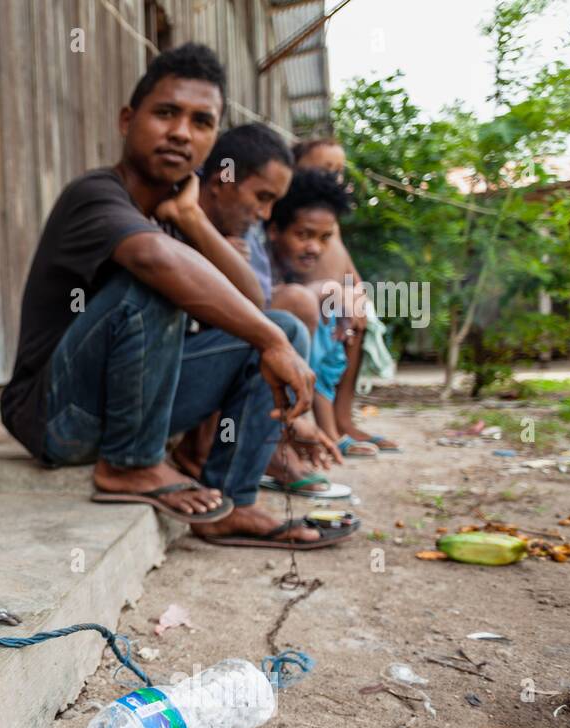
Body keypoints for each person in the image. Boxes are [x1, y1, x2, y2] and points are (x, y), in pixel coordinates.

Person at [0, 45, 357, 549]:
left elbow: (253, 301)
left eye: (201, 121)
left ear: (212, 141)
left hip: (123, 409)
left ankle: (232, 500)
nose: (182, 132)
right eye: (166, 113)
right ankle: (130, 467)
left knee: (287, 326)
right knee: (159, 277)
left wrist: (190, 219)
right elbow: (154, 260)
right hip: (56, 416)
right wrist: (269, 338)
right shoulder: (95, 194)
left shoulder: (173, 216)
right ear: (128, 120)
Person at [170, 122, 346, 498]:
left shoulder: (239, 230)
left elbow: (253, 302)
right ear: (221, 180)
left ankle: (236, 494)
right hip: (136, 401)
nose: (265, 214)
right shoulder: (167, 215)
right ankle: (207, 460)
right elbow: (251, 311)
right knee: (280, 330)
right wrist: (195, 227)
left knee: (279, 330)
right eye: (262, 197)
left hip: (174, 385)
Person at [293, 138, 400, 453]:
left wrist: (358, 291)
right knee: (322, 359)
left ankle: (344, 420)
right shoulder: (295, 207)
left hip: (340, 298)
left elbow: (340, 254)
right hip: (317, 299)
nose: (334, 177)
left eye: (338, 171)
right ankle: (325, 431)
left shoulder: (328, 211)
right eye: (325, 168)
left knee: (356, 335)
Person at [265, 168, 365, 454]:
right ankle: (286, 436)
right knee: (303, 303)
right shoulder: (254, 251)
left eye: (324, 238)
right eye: (303, 235)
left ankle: (320, 428)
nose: (314, 248)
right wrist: (319, 290)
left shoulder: (291, 267)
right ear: (274, 230)